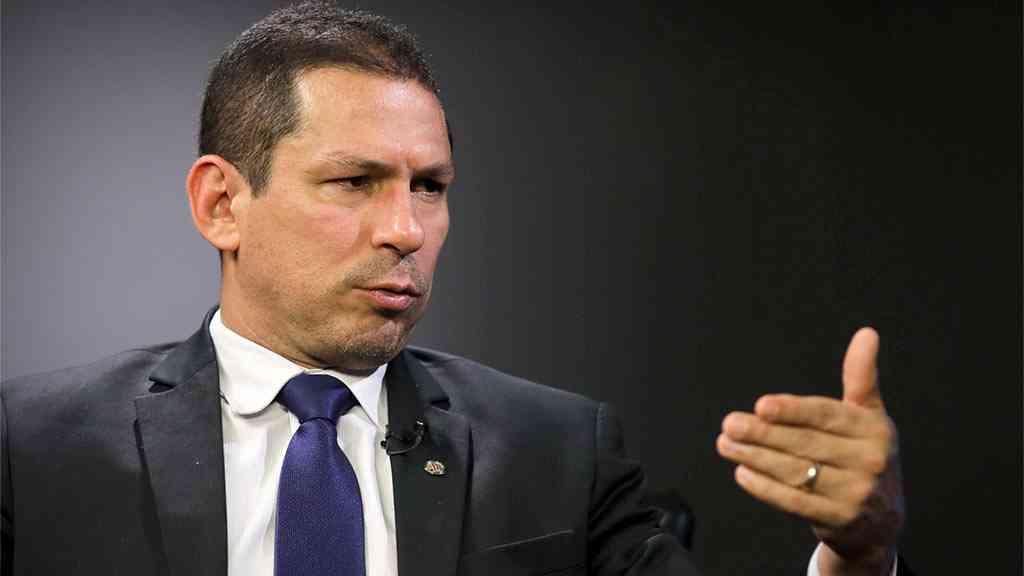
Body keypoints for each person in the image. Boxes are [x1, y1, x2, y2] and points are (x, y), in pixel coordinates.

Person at [0, 2, 908, 575]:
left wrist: (858, 558)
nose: (407, 228)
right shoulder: (30, 450)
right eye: (355, 181)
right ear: (222, 204)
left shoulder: (559, 452)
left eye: (429, 186)